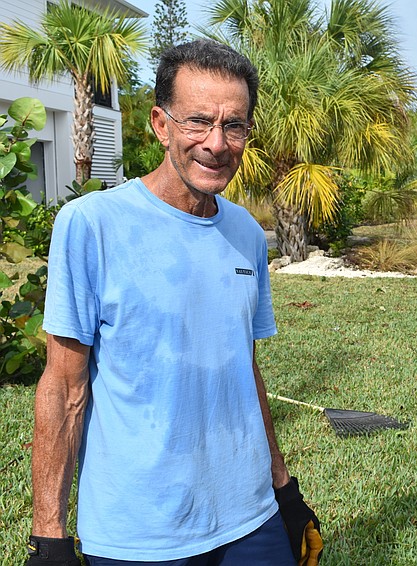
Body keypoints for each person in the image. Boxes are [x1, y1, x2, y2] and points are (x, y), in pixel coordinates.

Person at [26, 40, 322, 566]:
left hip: (250, 517)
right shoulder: (93, 224)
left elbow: (244, 369)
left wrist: (282, 487)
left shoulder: (247, 234)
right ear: (161, 125)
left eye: (234, 126)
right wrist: (49, 534)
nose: (216, 142)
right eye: (198, 122)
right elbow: (64, 385)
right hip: (139, 533)